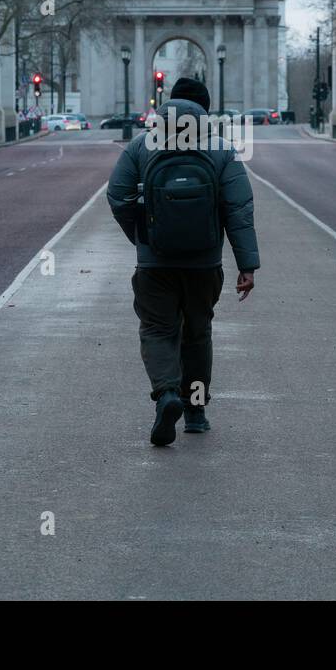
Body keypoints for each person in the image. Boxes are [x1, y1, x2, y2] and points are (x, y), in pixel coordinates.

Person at [106, 77, 259, 447]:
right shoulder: (222, 150)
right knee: (197, 334)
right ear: (205, 112)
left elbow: (117, 196)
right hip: (204, 263)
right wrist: (246, 264)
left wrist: (144, 237)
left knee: (158, 329)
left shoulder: (141, 146)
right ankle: (195, 412)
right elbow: (239, 210)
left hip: (155, 263)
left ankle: (167, 393)